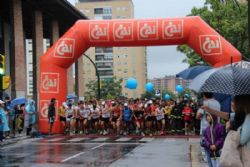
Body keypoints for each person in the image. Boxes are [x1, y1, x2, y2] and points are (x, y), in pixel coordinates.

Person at [203, 95, 250, 167]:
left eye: (234, 101)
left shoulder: (248, 118)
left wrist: (230, 128)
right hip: (240, 155)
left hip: (246, 154)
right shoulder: (241, 115)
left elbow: (242, 140)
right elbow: (227, 115)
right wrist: (209, 110)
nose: (232, 103)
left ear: (241, 104)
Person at [197, 92, 220, 167]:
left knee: (208, 152)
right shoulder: (218, 103)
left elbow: (198, 116)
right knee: (215, 152)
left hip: (206, 129)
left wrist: (200, 109)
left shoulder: (205, 103)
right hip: (216, 128)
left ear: (204, 95)